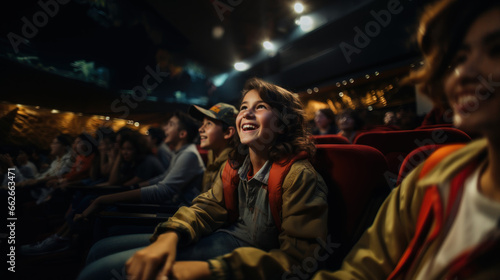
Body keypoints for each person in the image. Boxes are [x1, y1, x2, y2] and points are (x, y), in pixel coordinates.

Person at [313, 0, 500, 279]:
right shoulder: (432, 171)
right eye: (458, 59)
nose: (464, 73)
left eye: (496, 50)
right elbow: (362, 269)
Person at [76, 78, 328, 280]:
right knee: (99, 250)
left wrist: (209, 271)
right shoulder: (235, 165)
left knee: (97, 273)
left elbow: (299, 261)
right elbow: (206, 206)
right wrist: (170, 236)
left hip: (244, 261)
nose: (247, 114)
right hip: (222, 238)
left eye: (260, 107)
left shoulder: (299, 177)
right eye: (243, 108)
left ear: (283, 124)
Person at [189, 102, 238, 193]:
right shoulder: (213, 158)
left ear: (228, 132)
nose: (200, 129)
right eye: (202, 123)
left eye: (209, 124)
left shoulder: (232, 167)